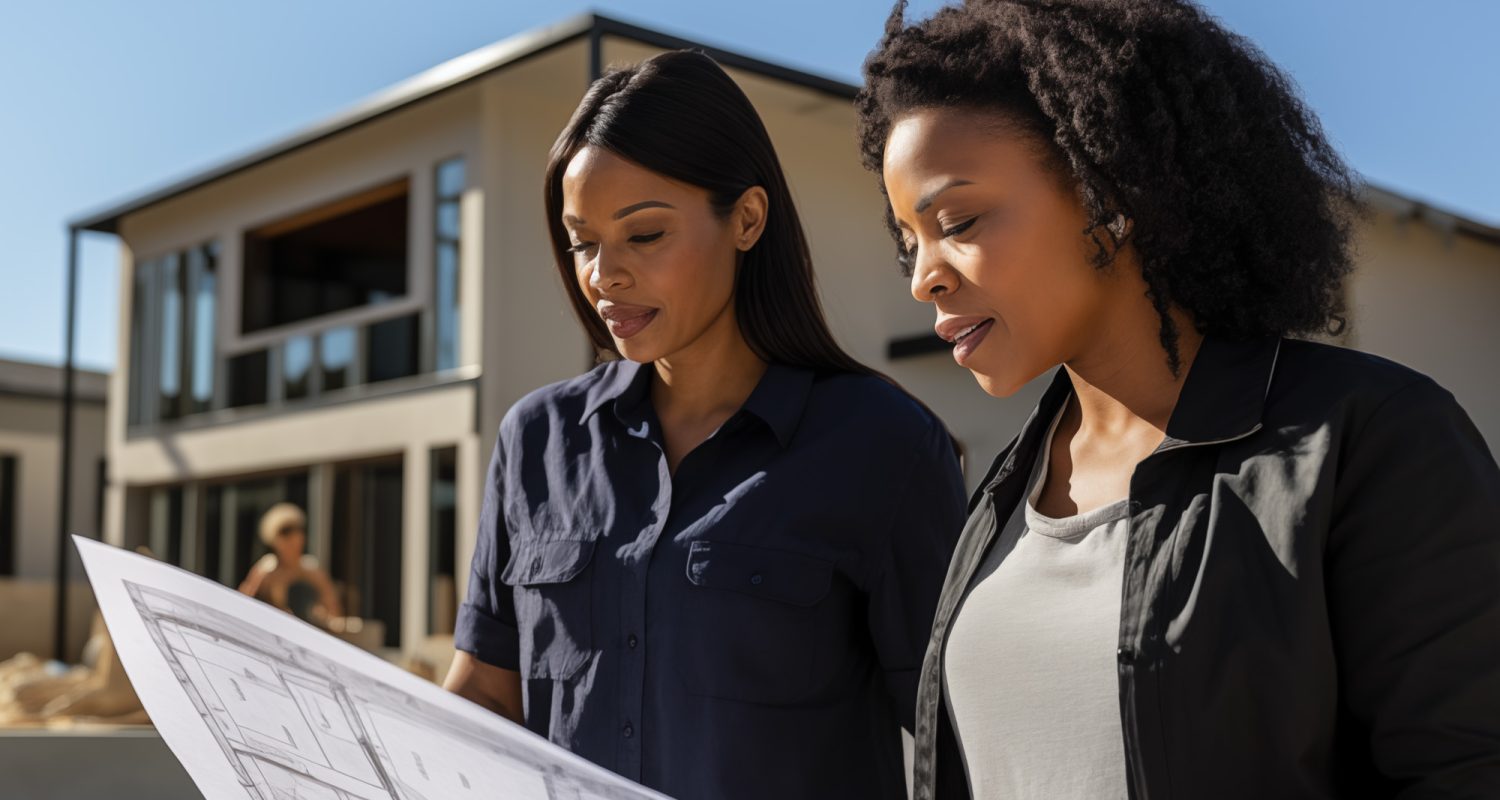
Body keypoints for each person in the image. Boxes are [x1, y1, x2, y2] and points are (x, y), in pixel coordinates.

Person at [856, 2, 1500, 798]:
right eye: (907, 240)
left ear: (1108, 190)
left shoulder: (1369, 442)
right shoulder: (1001, 497)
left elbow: (1465, 768)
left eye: (956, 220)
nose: (924, 275)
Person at [443, 49, 967, 799]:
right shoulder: (535, 441)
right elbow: (486, 698)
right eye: (582, 241)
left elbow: (960, 743)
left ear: (747, 218)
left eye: (644, 234)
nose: (602, 275)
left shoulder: (884, 446)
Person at [238, 502, 342, 626]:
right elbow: (243, 602)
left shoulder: (311, 570)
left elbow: (333, 609)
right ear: (274, 540)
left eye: (296, 540)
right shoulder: (267, 569)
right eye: (287, 539)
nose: (293, 547)